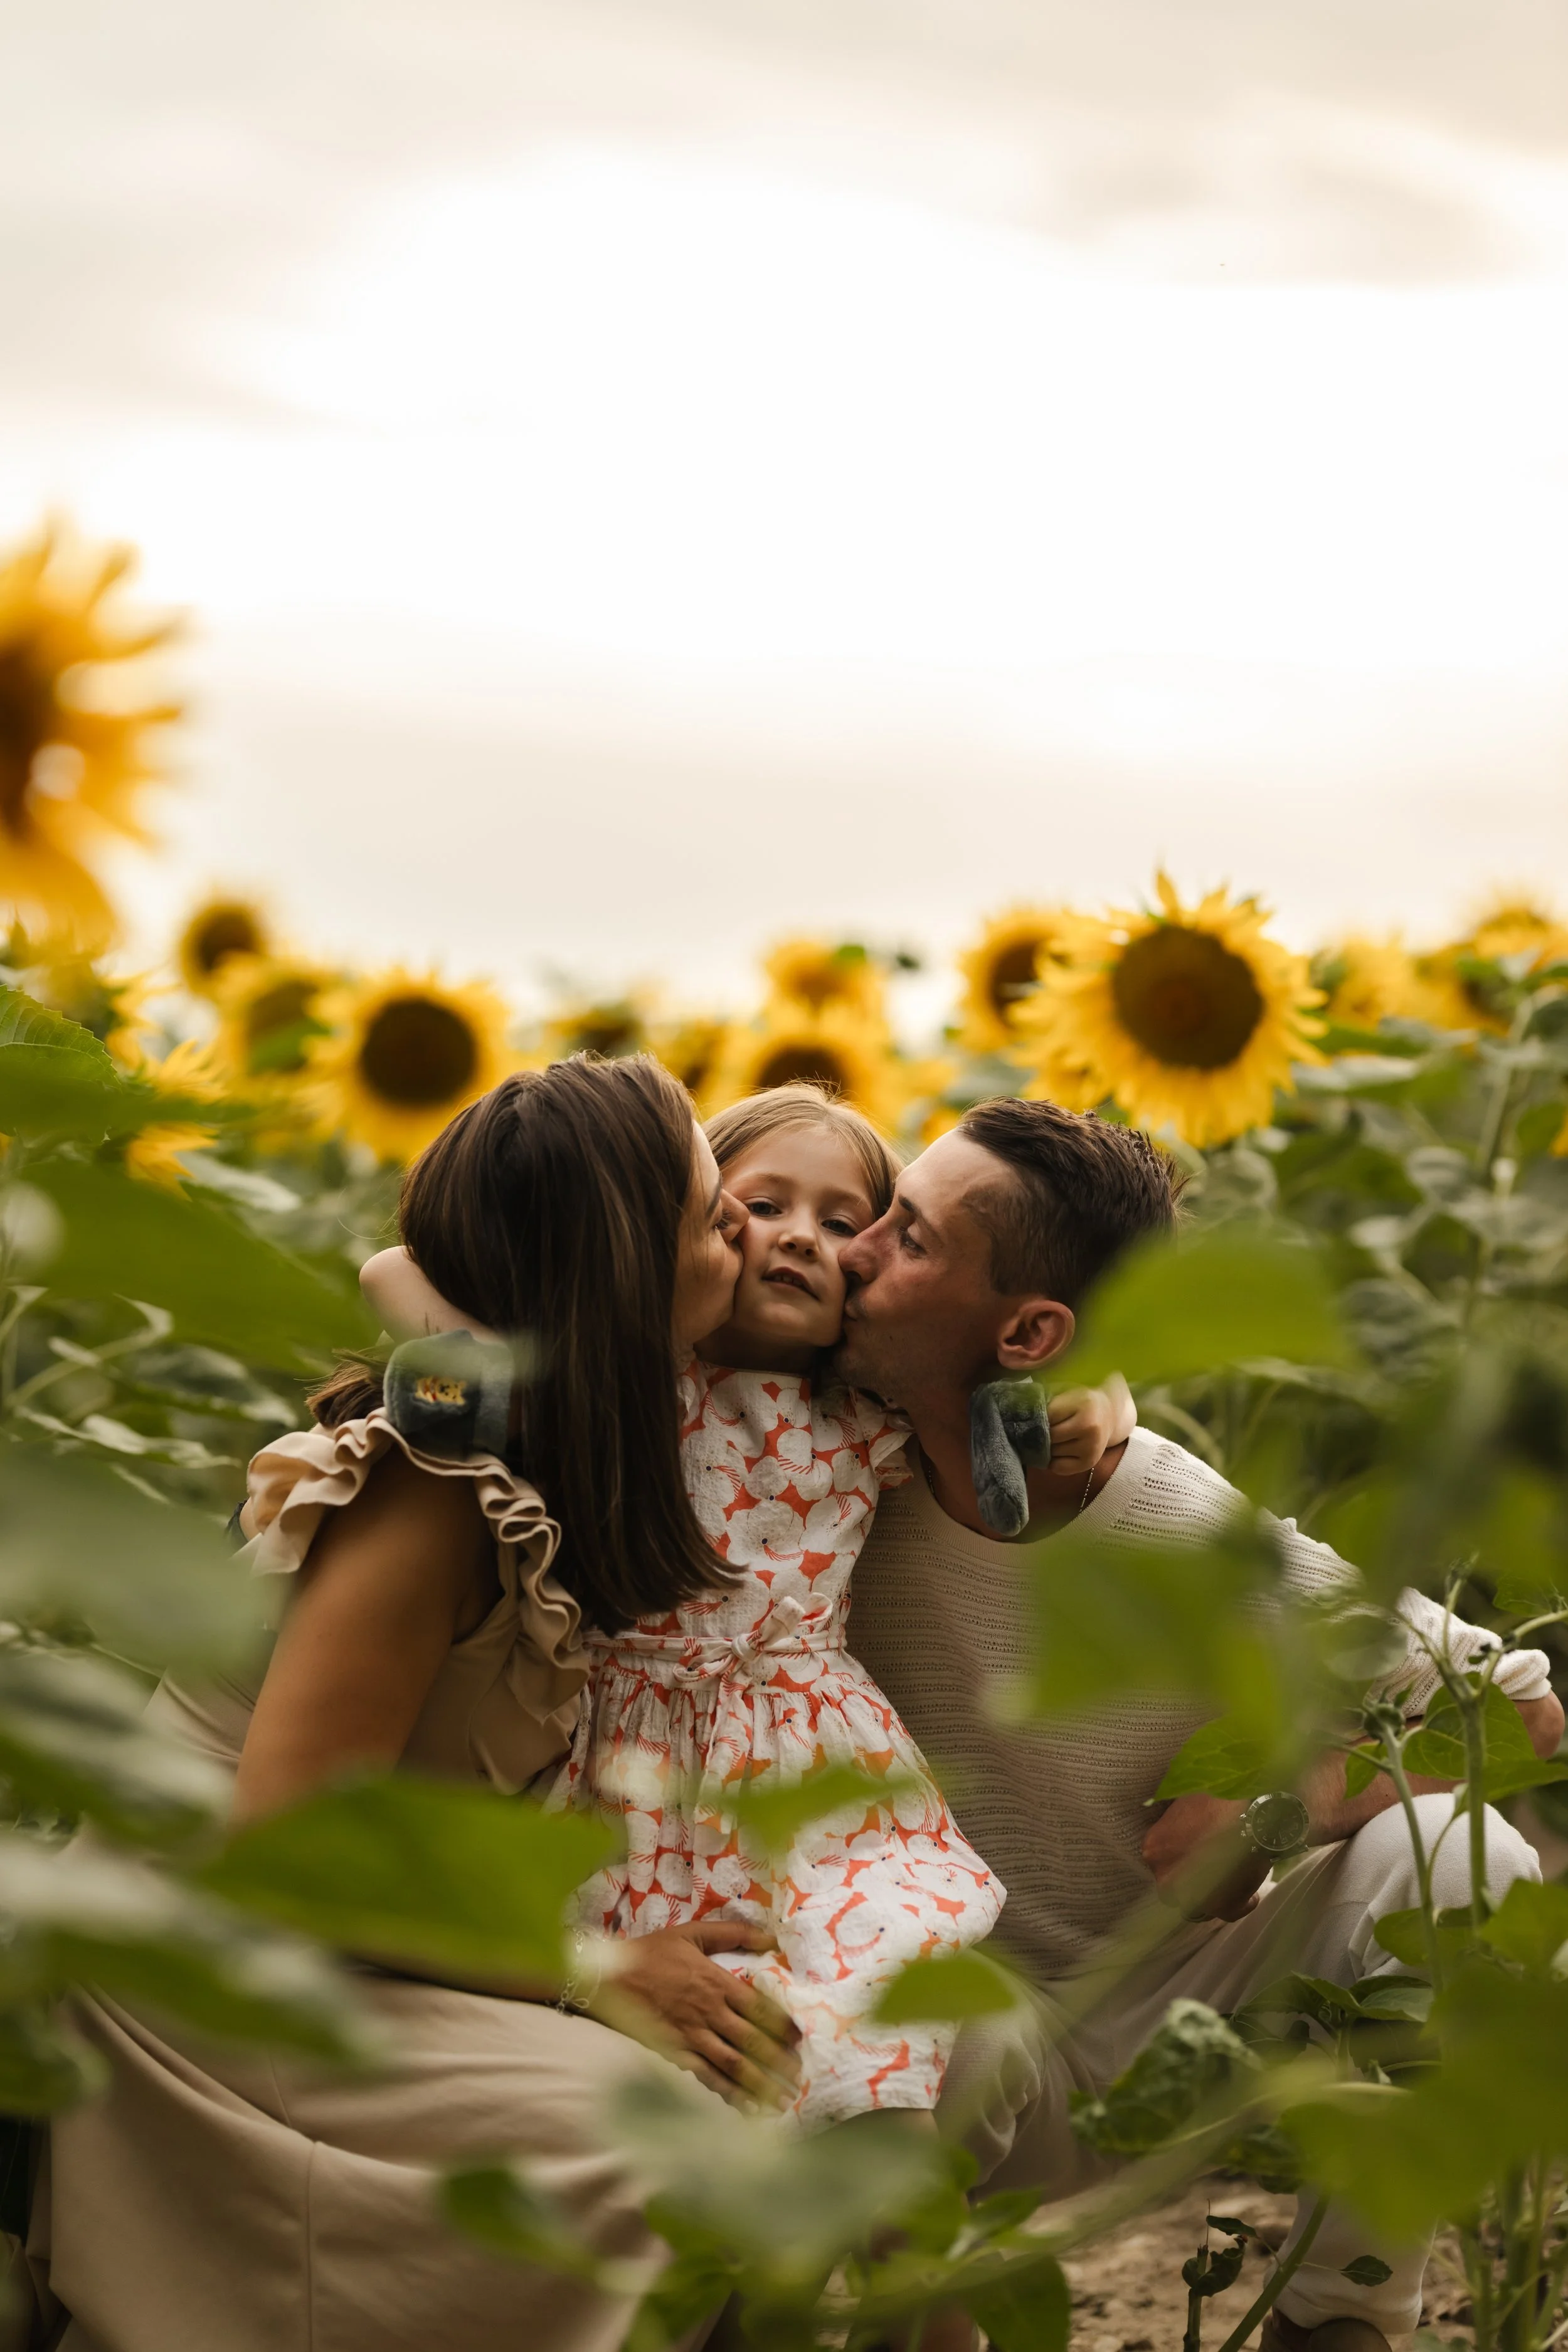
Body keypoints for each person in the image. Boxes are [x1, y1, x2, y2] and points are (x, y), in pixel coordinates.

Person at [34, 1057, 804, 2352]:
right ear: (618, 1271)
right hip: (211, 1974)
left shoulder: (547, 1420)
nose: (742, 1230)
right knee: (651, 2134)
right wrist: (593, 1974)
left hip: (338, 1950)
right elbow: (287, 1854)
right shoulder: (425, 1489)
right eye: (709, 1208)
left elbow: (417, 1277)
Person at [836, 1095, 1565, 2352]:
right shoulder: (817, 1485)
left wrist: (1286, 1803)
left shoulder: (1180, 1526)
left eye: (905, 1238)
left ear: (1028, 1332)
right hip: (939, 2068)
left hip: (1174, 2029)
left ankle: (1342, 2316)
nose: (853, 1250)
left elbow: (1520, 1710)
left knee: (1467, 1865)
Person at [368, 1084, 1131, 2131]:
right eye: (757, 1207)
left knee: (871, 2012)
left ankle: (916, 2267)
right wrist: (465, 1365)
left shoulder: (866, 1409)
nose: (798, 1240)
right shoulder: (637, 1383)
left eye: (839, 1221)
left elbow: (1006, 1374)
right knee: (701, 2044)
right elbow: (389, 1269)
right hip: (626, 1763)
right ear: (697, 1236)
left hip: (813, 1768)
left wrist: (1099, 1395)